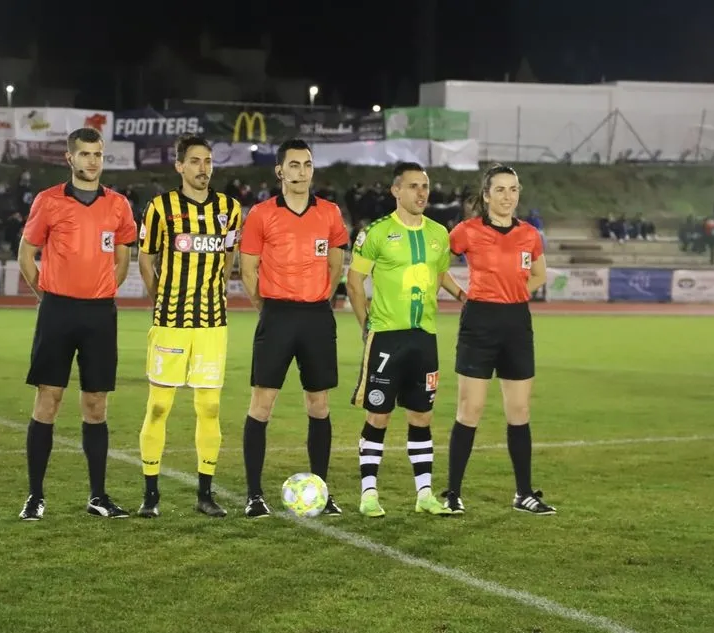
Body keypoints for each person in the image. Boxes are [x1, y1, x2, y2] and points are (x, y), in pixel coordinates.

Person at [16, 127, 137, 521]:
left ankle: (98, 497)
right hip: (57, 311)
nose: (92, 161)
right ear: (69, 158)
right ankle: (35, 496)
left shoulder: (118, 205)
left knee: (96, 405)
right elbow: (26, 255)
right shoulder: (48, 201)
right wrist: (48, 298)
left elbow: (122, 259)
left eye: (97, 154)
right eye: (85, 154)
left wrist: (102, 291)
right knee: (48, 399)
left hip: (100, 314)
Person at [345, 163, 465, 518]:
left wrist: (462, 296)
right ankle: (369, 494)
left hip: (424, 337)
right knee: (378, 415)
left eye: (424, 186)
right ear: (396, 191)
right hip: (386, 338)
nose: (421, 192)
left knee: (422, 415)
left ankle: (424, 494)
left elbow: (440, 273)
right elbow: (354, 282)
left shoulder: (439, 233)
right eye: (413, 186)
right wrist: (366, 325)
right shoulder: (376, 233)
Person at [238, 138, 349, 519]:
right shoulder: (261, 214)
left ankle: (321, 491)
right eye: (294, 165)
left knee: (319, 404)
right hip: (277, 315)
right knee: (262, 403)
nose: (302, 172)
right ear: (279, 171)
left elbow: (335, 266)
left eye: (307, 164)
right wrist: (269, 309)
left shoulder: (330, 213)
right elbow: (248, 270)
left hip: (316, 316)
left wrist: (318, 301)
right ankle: (254, 495)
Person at [135, 134, 242, 519]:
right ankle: (150, 495)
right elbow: (145, 259)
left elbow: (228, 256)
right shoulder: (160, 208)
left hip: (212, 322)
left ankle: (205, 494)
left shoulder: (230, 208)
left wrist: (216, 293)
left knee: (209, 407)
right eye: (195, 161)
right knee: (159, 406)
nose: (203, 168)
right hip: (171, 321)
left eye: (208, 161)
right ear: (179, 166)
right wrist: (161, 300)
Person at [444, 163, 555, 516]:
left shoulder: (530, 234)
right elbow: (437, 265)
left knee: (519, 411)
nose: (508, 196)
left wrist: (516, 293)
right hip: (479, 322)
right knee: (470, 409)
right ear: (487, 195)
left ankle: (524, 493)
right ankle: (453, 493)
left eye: (514, 189)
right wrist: (461, 294)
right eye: (501, 190)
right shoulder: (467, 231)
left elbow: (540, 274)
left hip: (516, 323)